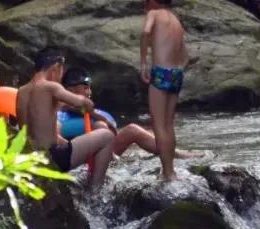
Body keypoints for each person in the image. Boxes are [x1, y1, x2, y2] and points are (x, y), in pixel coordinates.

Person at [16, 47, 115, 191]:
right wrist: (88, 106)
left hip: (30, 157)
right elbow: (83, 102)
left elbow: (33, 132)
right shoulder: (51, 87)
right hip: (53, 158)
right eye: (61, 71)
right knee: (107, 136)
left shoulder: (21, 91)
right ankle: (95, 191)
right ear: (56, 67)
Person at [140, 0, 196, 182]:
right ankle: (171, 169)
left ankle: (168, 172)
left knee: (159, 125)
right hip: (176, 74)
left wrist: (144, 62)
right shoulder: (175, 20)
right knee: (169, 124)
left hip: (161, 72)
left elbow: (146, 32)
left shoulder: (154, 14)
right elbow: (185, 56)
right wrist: (179, 69)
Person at [58, 68, 159, 159]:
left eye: (89, 88)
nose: (89, 92)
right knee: (100, 125)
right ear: (70, 90)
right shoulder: (58, 110)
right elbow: (72, 107)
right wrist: (100, 118)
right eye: (85, 88)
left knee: (133, 130)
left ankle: (170, 152)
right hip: (73, 154)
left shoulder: (94, 112)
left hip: (102, 152)